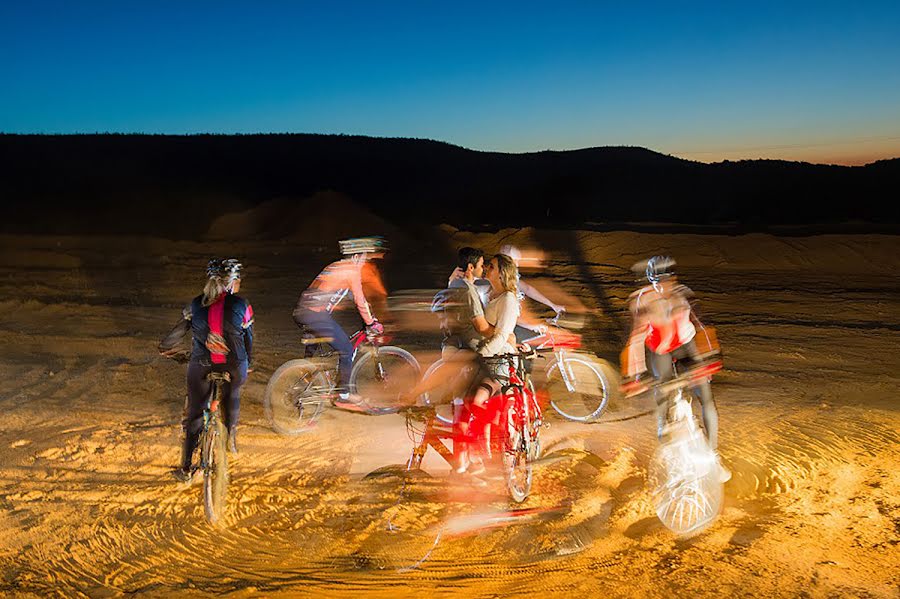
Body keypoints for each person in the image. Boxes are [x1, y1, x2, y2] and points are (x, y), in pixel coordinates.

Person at [621, 256, 730, 482]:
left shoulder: (683, 293)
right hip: (660, 350)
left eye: (667, 280)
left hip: (686, 346)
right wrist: (634, 375)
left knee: (706, 398)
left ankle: (713, 455)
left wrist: (711, 357)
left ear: (674, 278)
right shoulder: (642, 301)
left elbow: (702, 323)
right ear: (650, 282)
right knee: (663, 392)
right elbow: (636, 338)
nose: (663, 286)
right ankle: (669, 449)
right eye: (657, 282)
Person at [160, 258, 254, 482]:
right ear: (232, 283)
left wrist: (165, 348)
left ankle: (186, 468)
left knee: (194, 413)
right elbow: (249, 340)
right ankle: (230, 437)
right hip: (234, 364)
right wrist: (247, 365)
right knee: (232, 393)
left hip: (201, 364)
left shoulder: (195, 304)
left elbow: (177, 333)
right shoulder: (242, 304)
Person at [292, 237, 386, 409]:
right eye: (365, 257)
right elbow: (359, 300)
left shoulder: (334, 266)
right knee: (346, 349)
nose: (366, 260)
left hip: (302, 311)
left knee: (318, 350)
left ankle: (304, 377)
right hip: (316, 315)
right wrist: (371, 323)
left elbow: (333, 291)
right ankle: (343, 395)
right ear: (357, 256)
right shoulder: (352, 272)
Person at [457, 253, 521, 475]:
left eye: (491, 266)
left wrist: (482, 354)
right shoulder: (492, 294)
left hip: (498, 361)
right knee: (467, 404)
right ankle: (474, 457)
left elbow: (502, 337)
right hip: (486, 360)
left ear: (502, 272)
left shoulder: (509, 300)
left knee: (478, 402)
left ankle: (486, 455)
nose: (487, 269)